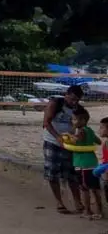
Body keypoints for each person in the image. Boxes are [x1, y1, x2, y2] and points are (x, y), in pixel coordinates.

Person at [42, 84, 84, 214]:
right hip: (52, 141)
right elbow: (46, 122)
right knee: (53, 171)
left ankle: (78, 201)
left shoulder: (78, 108)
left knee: (72, 173)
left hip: (69, 143)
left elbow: (81, 124)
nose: (74, 102)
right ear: (66, 95)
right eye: (72, 99)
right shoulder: (55, 103)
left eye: (76, 100)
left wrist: (79, 134)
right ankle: (59, 201)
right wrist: (57, 137)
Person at [65, 106, 103, 220]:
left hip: (82, 164)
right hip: (92, 162)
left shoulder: (81, 131)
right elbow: (98, 141)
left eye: (74, 119)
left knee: (84, 188)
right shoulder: (90, 130)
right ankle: (99, 211)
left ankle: (88, 211)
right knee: (95, 188)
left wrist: (68, 135)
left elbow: (76, 140)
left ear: (82, 121)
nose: (73, 121)